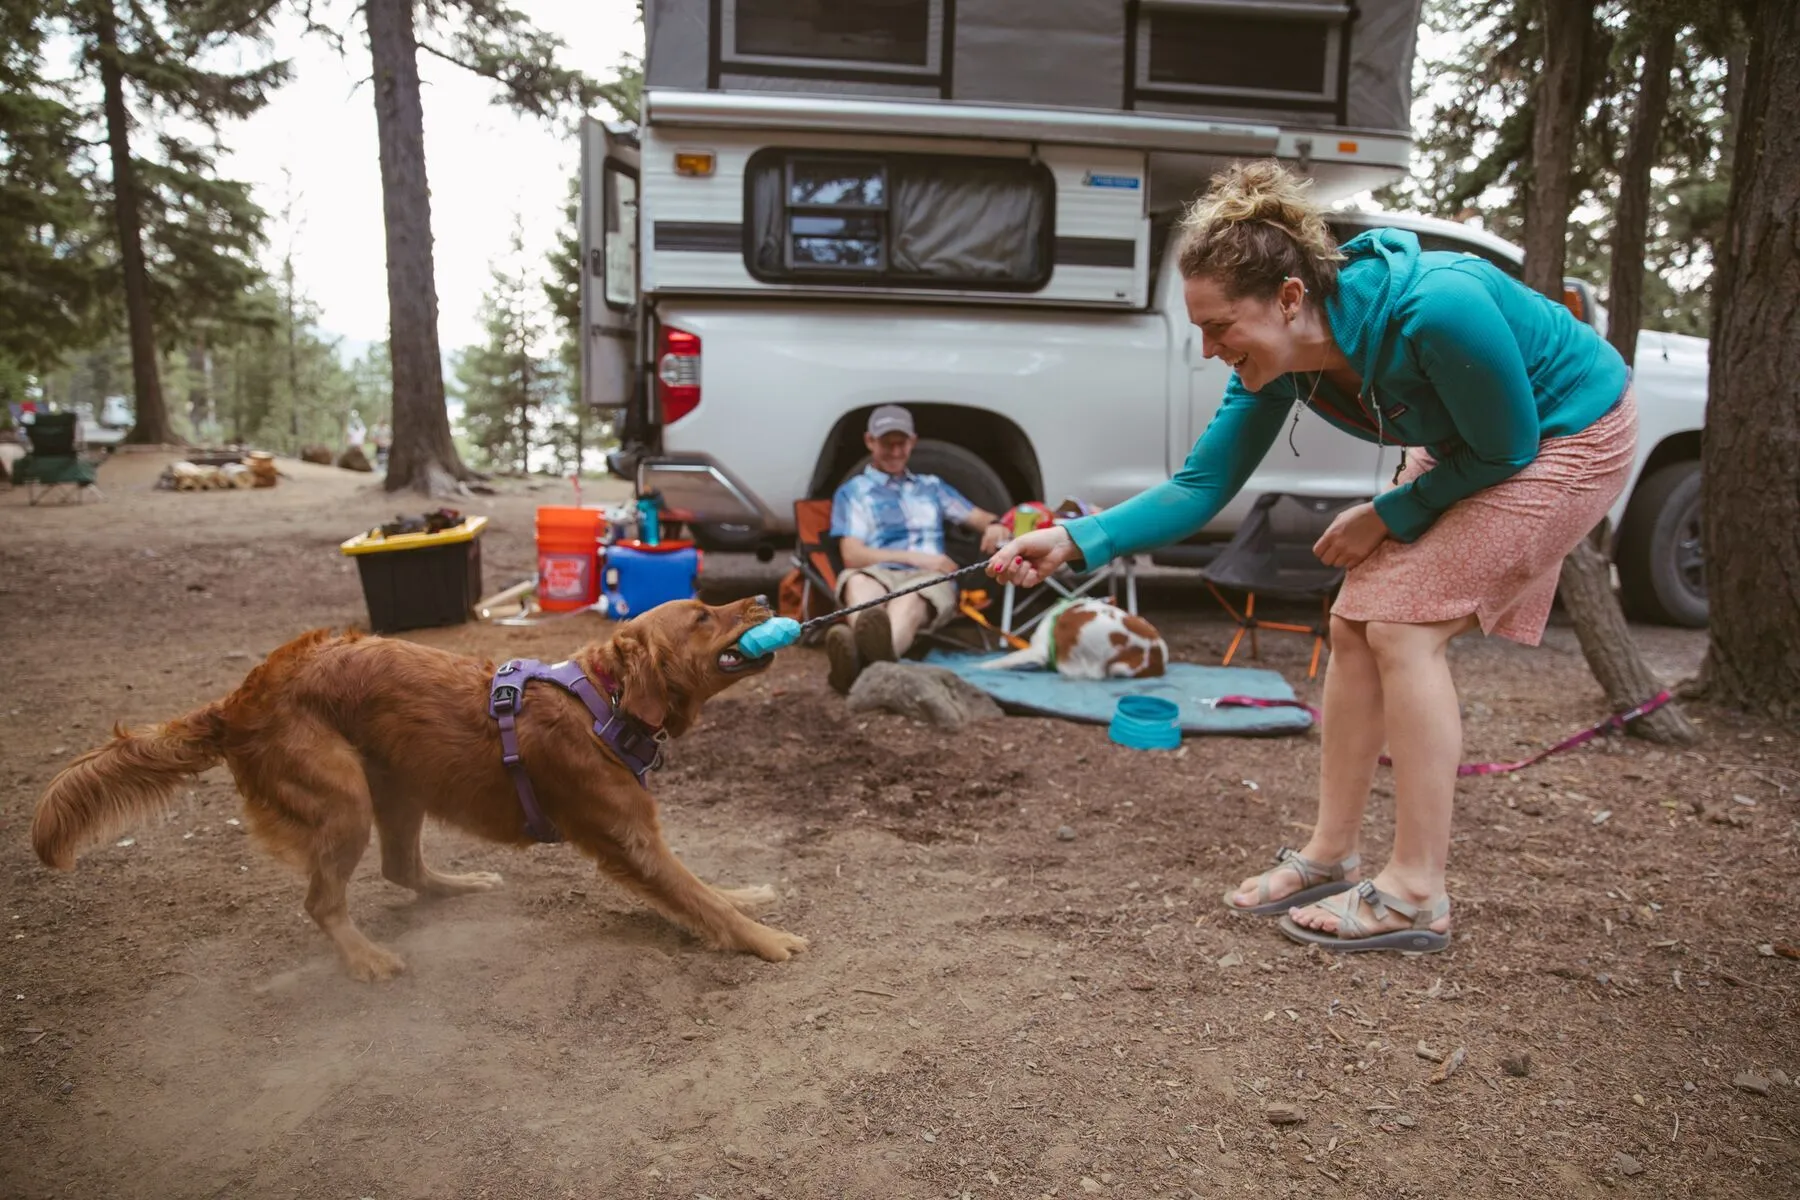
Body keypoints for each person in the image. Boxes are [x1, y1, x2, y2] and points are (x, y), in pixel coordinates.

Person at [988, 161, 1636, 954]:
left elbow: (1509, 448)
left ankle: (1417, 892)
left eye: (1219, 326)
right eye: (1199, 329)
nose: (1207, 348)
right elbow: (1200, 485)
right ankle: (1332, 852)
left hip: (1569, 432)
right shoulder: (1280, 365)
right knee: (1353, 622)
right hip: (1479, 443)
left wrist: (1390, 511)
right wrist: (1072, 538)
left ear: (1290, 298)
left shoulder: (1439, 309)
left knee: (1402, 627)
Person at [827, 405, 1008, 693]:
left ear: (912, 442)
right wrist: (918, 558)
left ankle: (856, 663)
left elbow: (978, 517)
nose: (896, 451)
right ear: (870, 442)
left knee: (909, 600)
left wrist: (995, 524)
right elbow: (852, 554)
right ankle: (874, 662)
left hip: (926, 581)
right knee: (860, 583)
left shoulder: (931, 487)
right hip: (877, 571)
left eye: (901, 443)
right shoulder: (854, 491)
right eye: (887, 443)